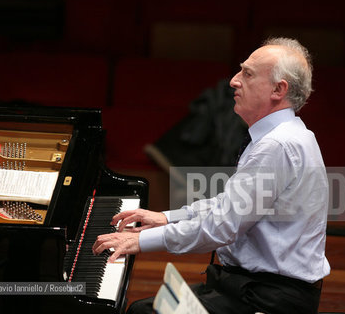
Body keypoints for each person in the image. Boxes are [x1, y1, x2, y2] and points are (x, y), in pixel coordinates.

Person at [93, 37, 330, 314]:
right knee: (146, 308)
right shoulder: (285, 135)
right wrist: (167, 217)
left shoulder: (276, 145)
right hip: (256, 286)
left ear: (278, 89)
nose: (233, 80)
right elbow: (230, 204)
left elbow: (223, 227)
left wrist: (140, 241)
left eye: (248, 73)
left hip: (267, 297)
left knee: (143, 312)